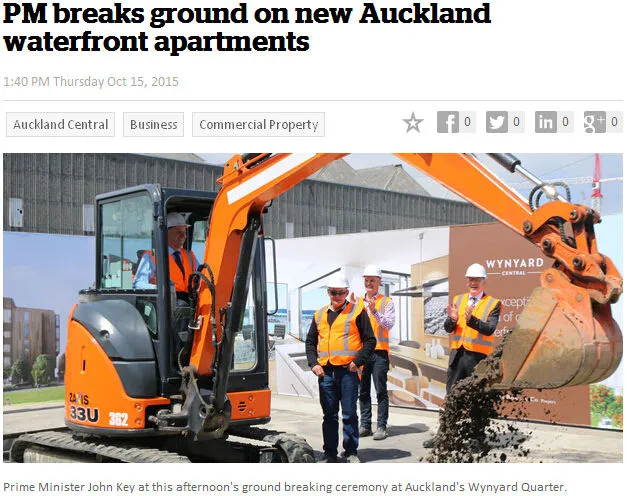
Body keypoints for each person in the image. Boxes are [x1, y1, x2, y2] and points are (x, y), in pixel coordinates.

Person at [423, 263, 501, 449]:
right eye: (470, 279)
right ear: (467, 281)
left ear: (484, 281)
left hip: (478, 360)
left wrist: (471, 320)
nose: (473, 283)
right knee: (451, 398)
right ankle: (444, 436)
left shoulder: (493, 303)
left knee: (477, 398)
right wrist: (452, 319)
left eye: (477, 279)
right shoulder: (458, 299)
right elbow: (448, 328)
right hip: (458, 357)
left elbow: (489, 330)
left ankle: (477, 439)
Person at [305, 273, 376, 463]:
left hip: (348, 371)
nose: (337, 296)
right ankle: (329, 453)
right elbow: (310, 342)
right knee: (329, 414)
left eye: (341, 293)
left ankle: (351, 452)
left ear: (346, 293)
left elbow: (370, 340)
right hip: (325, 372)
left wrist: (357, 362)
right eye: (333, 292)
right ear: (328, 292)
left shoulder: (357, 311)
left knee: (349, 414)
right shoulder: (319, 314)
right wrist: (314, 364)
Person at [354, 264, 395, 441]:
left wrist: (374, 311)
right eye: (367, 280)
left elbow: (388, 324)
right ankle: (365, 425)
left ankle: (381, 426)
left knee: (380, 391)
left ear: (379, 282)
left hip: (379, 353)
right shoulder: (356, 303)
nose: (369, 283)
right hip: (362, 353)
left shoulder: (387, 302)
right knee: (363, 391)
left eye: (372, 280)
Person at [133, 212, 199, 300]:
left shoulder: (190, 256)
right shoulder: (153, 256)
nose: (184, 236)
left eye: (184, 232)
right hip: (166, 303)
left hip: (189, 304)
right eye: (179, 232)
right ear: (166, 233)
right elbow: (138, 283)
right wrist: (161, 289)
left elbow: (201, 279)